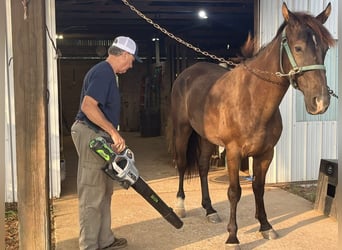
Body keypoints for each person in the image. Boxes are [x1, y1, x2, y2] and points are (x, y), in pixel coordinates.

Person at [71, 36, 142, 250]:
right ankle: (89, 245)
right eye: (131, 60)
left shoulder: (107, 73)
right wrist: (113, 131)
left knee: (104, 190)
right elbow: (88, 106)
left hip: (99, 136)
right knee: (92, 193)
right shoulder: (103, 72)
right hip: (91, 134)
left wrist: (110, 135)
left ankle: (104, 239)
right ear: (125, 55)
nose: (131, 65)